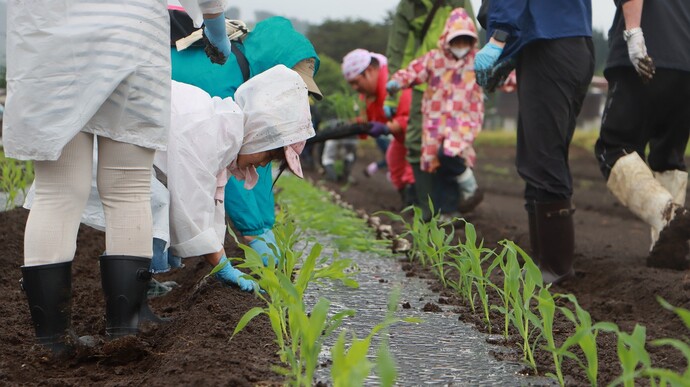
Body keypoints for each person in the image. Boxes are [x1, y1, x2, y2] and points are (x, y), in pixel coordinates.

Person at [3, 0, 232, 354]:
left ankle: (51, 341)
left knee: (57, 191)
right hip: (130, 35)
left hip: (48, 39)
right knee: (128, 188)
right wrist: (214, 20)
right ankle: (125, 329)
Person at [170, 14, 323, 277]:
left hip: (170, 141)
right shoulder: (224, 71)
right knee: (156, 195)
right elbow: (225, 167)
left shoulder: (247, 85)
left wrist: (265, 225)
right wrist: (252, 232)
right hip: (143, 126)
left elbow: (258, 162)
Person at [158, 66, 315, 292]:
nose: (263, 165)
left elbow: (210, 205)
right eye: (269, 155)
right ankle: (127, 312)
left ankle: (136, 293)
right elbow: (188, 204)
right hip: (119, 129)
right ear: (259, 132)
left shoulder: (227, 130)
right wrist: (222, 265)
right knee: (143, 205)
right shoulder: (214, 132)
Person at [474, 0, 594, 283]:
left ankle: (557, 268)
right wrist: (512, 54)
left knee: (543, 157)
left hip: (549, 49)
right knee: (538, 154)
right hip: (572, 44)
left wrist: (498, 38)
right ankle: (544, 263)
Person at [594, 0, 690, 270]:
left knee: (613, 149)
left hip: (647, 53)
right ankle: (669, 248)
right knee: (669, 157)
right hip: (686, 63)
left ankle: (668, 214)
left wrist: (634, 33)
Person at [386, 8, 484, 217]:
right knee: (439, 167)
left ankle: (470, 186)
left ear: (472, 40)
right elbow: (414, 70)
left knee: (449, 153)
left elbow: (500, 74)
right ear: (447, 38)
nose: (460, 47)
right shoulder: (434, 59)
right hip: (436, 121)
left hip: (464, 119)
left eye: (465, 41)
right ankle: (448, 212)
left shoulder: (476, 61)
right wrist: (398, 81)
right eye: (456, 41)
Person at [341, 49, 416, 207]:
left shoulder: (392, 85)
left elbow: (410, 118)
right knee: (393, 160)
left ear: (369, 71)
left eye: (356, 82)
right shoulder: (368, 95)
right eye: (351, 84)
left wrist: (387, 128)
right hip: (401, 138)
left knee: (412, 167)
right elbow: (370, 120)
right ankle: (408, 201)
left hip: (417, 136)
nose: (355, 87)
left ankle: (417, 202)